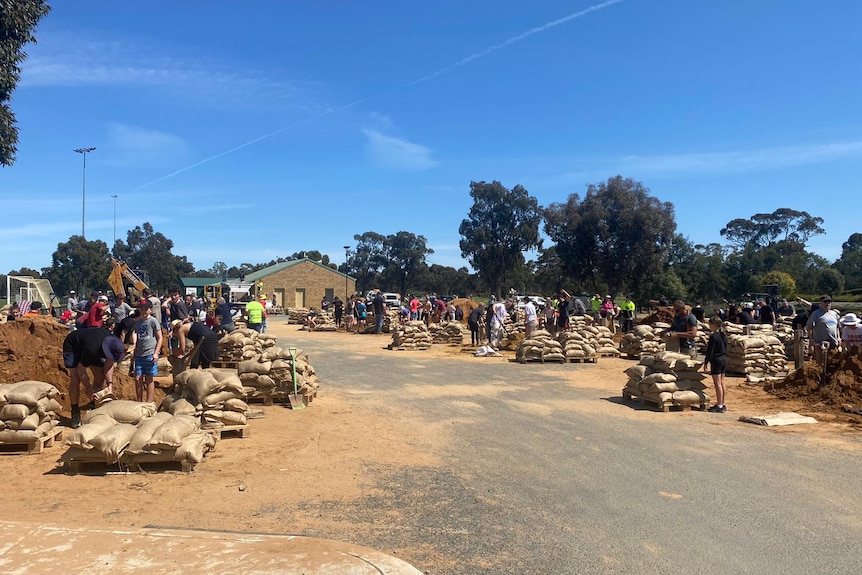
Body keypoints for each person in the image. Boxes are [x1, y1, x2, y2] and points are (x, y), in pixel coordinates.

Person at [62, 328, 126, 427]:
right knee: (75, 378)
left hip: (91, 344)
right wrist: (89, 389)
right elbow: (81, 370)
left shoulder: (114, 345)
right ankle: (75, 412)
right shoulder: (92, 349)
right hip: (74, 346)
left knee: (100, 376)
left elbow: (108, 366)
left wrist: (110, 384)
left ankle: (93, 404)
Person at [131, 299, 162, 403]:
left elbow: (160, 337)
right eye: (141, 309)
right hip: (139, 354)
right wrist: (134, 342)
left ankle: (148, 402)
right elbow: (135, 333)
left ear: (150, 309)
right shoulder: (138, 322)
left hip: (150, 353)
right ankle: (139, 401)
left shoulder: (153, 321)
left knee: (149, 379)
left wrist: (156, 353)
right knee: (137, 379)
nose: (143, 311)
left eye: (145, 309)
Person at [702, 317, 728, 413]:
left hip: (716, 360)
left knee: (717, 383)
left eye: (710, 324)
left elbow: (710, 351)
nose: (709, 326)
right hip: (723, 359)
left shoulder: (713, 336)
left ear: (714, 325)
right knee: (722, 382)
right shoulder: (723, 335)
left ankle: (719, 405)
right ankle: (723, 403)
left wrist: (706, 362)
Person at [807, 296, 840, 361]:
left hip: (833, 342)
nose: (827, 303)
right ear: (820, 303)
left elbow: (837, 327)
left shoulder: (834, 314)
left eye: (829, 302)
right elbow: (809, 327)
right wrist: (812, 340)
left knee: (833, 361)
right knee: (820, 362)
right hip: (820, 342)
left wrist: (838, 337)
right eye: (825, 302)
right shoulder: (816, 314)